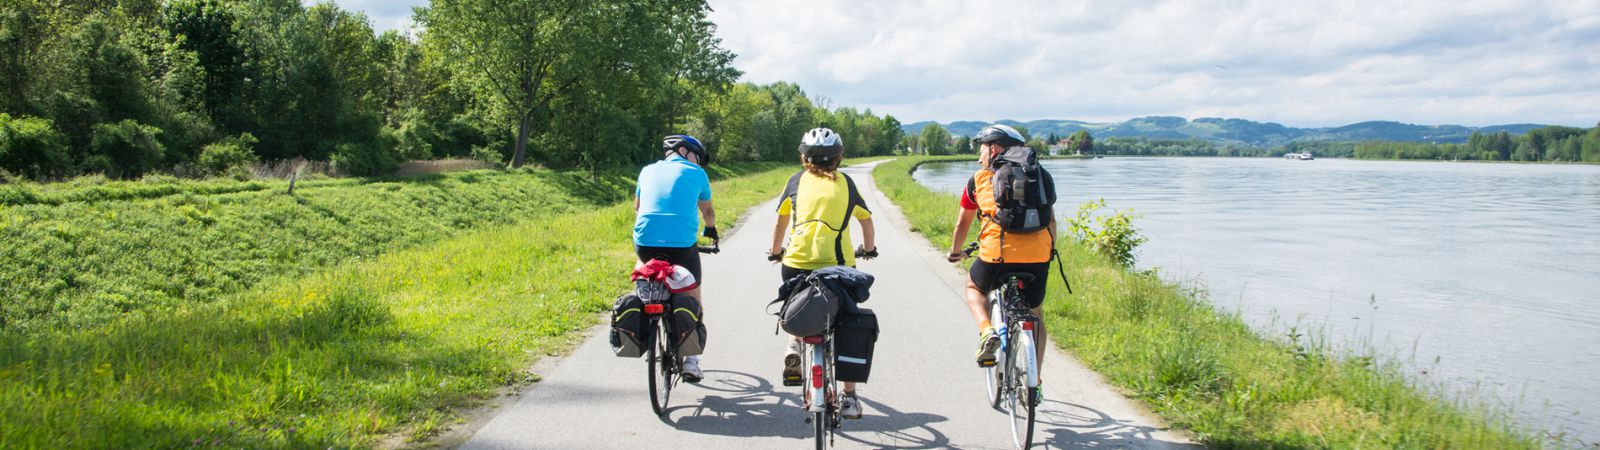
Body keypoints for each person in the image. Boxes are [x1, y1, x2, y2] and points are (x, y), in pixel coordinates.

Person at [767, 127, 877, 419]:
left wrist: (775, 251)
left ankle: (793, 343)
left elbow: (780, 224)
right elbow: (866, 223)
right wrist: (869, 248)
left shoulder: (795, 181)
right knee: (844, 323)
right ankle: (850, 397)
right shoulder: (848, 184)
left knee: (796, 306)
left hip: (796, 264)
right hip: (839, 268)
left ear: (804, 157)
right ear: (838, 158)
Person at [945, 124, 1057, 371]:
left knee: (974, 287)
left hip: (996, 255)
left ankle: (987, 331)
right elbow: (1050, 220)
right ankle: (1034, 383)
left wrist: (955, 252)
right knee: (1035, 314)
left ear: (993, 148)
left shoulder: (979, 179)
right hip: (1038, 258)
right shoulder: (1039, 175)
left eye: (981, 150)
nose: (979, 157)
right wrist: (1048, 254)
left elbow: (962, 223)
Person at [634, 134, 717, 382]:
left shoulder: (646, 170)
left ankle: (645, 306)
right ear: (683, 151)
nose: (698, 162)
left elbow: (637, 207)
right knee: (693, 293)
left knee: (644, 270)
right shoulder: (697, 173)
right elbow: (708, 212)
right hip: (682, 246)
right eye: (697, 157)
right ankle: (692, 360)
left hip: (644, 242)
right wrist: (710, 230)